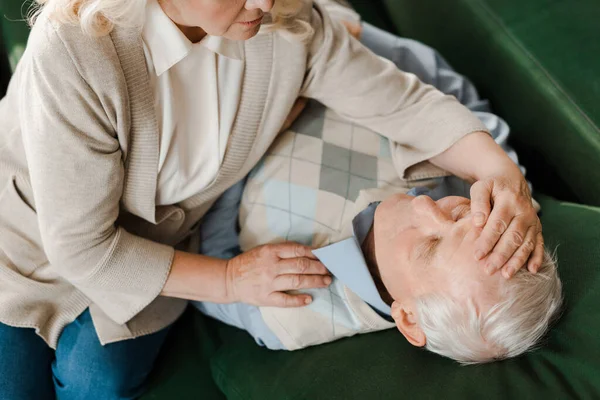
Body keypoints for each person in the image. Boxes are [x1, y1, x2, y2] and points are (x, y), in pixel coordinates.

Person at [0, 0, 545, 398]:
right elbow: (83, 247)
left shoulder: (283, 17)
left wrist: (501, 174)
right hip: (24, 240)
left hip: (157, 249)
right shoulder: (75, 50)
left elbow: (403, 102)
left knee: (100, 384)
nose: (264, 4)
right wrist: (232, 279)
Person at [195, 17, 562, 364]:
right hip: (316, 39)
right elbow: (451, 92)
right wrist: (363, 41)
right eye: (461, 213)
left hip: (206, 114)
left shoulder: (288, 313)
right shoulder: (502, 198)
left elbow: (201, 248)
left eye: (429, 246)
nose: (426, 208)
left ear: (407, 318)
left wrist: (249, 138)